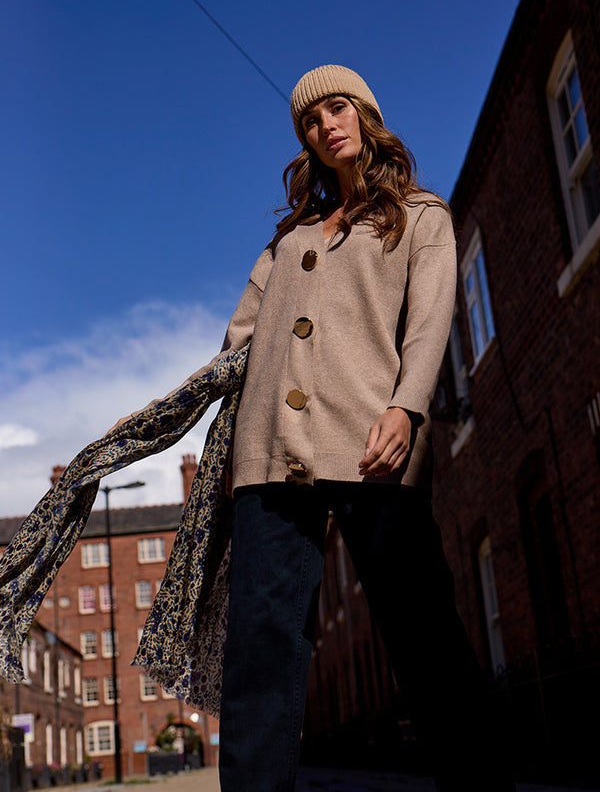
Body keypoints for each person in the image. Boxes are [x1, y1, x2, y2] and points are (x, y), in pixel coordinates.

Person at [116, 65, 514, 791]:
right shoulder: (285, 241)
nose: (324, 124)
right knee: (260, 656)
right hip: (270, 460)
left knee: (425, 635)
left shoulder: (422, 215)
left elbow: (430, 325)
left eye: (337, 108)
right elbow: (231, 354)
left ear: (365, 114)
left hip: (376, 446)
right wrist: (154, 420)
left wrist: (408, 406)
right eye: (309, 119)